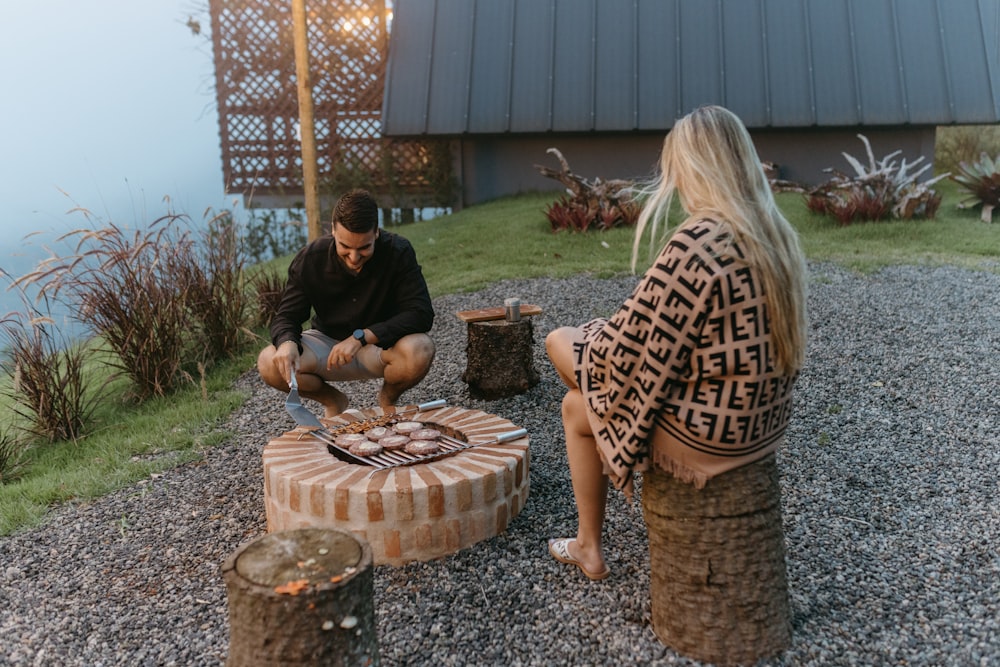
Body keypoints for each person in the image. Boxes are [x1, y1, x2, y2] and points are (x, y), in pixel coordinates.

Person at [545, 105, 808, 581]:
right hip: (756, 423)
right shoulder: (773, 233)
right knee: (588, 384)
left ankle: (589, 545)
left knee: (565, 366)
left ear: (692, 168)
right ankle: (602, 468)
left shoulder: (700, 240)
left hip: (706, 440)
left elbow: (619, 354)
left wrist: (586, 335)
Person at [258, 188, 436, 417]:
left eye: (364, 248)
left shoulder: (398, 251)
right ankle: (334, 401)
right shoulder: (310, 258)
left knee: (420, 348)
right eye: (345, 247)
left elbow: (420, 313)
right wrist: (287, 342)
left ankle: (387, 399)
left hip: (379, 346)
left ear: (376, 233)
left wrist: (361, 337)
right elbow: (286, 317)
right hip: (326, 346)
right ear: (332, 230)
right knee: (268, 362)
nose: (354, 257)